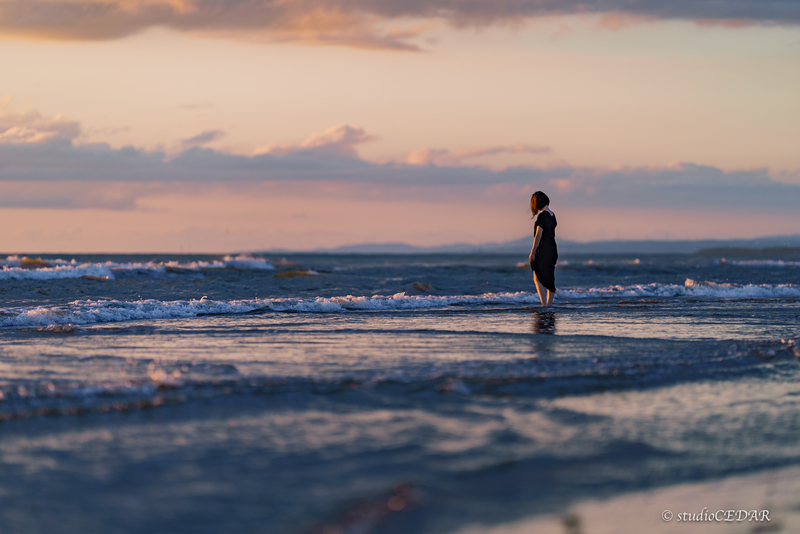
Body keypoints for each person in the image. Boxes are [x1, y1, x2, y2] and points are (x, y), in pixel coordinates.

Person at [528, 191, 558, 306]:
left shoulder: (542, 216)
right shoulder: (552, 215)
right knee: (550, 276)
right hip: (552, 248)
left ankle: (543, 304)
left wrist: (532, 252)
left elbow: (538, 235)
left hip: (543, 248)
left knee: (537, 275)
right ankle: (549, 304)